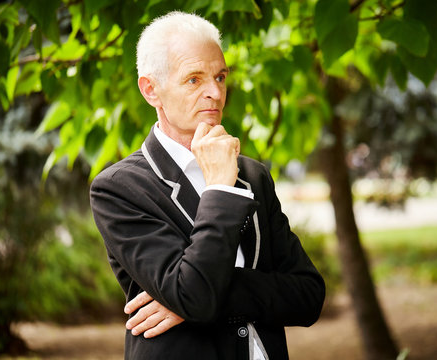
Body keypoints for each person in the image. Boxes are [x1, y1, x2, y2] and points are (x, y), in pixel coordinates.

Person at [90, 11, 325, 360]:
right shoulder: (119, 188)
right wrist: (219, 191)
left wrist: (196, 298)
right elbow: (196, 297)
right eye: (194, 80)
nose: (214, 92)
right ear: (151, 89)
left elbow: (308, 295)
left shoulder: (254, 175)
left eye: (220, 76)